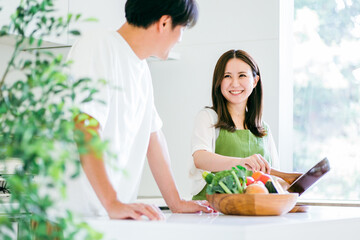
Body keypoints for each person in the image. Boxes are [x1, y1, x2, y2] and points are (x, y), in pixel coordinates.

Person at [65, 0, 212, 220]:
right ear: (164, 23)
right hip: (72, 217)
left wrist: (176, 202)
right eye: (181, 28)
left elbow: (154, 138)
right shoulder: (98, 45)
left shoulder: (141, 68)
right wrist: (112, 202)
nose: (181, 38)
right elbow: (84, 126)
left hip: (109, 218)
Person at [189, 49, 281, 200]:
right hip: (211, 213)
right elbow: (200, 159)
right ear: (219, 82)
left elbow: (275, 178)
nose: (235, 83)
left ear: (255, 81)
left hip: (251, 214)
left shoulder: (263, 129)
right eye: (227, 76)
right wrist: (242, 163)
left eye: (242, 75)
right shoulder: (208, 117)